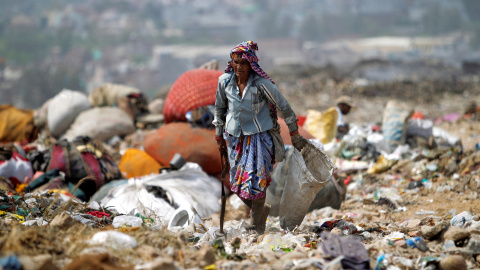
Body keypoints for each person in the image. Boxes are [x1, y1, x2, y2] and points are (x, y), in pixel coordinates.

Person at [213, 41, 307, 234]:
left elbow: (285, 107)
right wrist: (218, 137)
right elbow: (219, 109)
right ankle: (260, 210)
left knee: (257, 181)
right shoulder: (224, 82)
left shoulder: (261, 85)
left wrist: (294, 134)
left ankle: (257, 222)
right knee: (236, 184)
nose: (239, 66)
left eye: (244, 63)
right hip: (234, 139)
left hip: (259, 138)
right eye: (236, 62)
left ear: (251, 64)